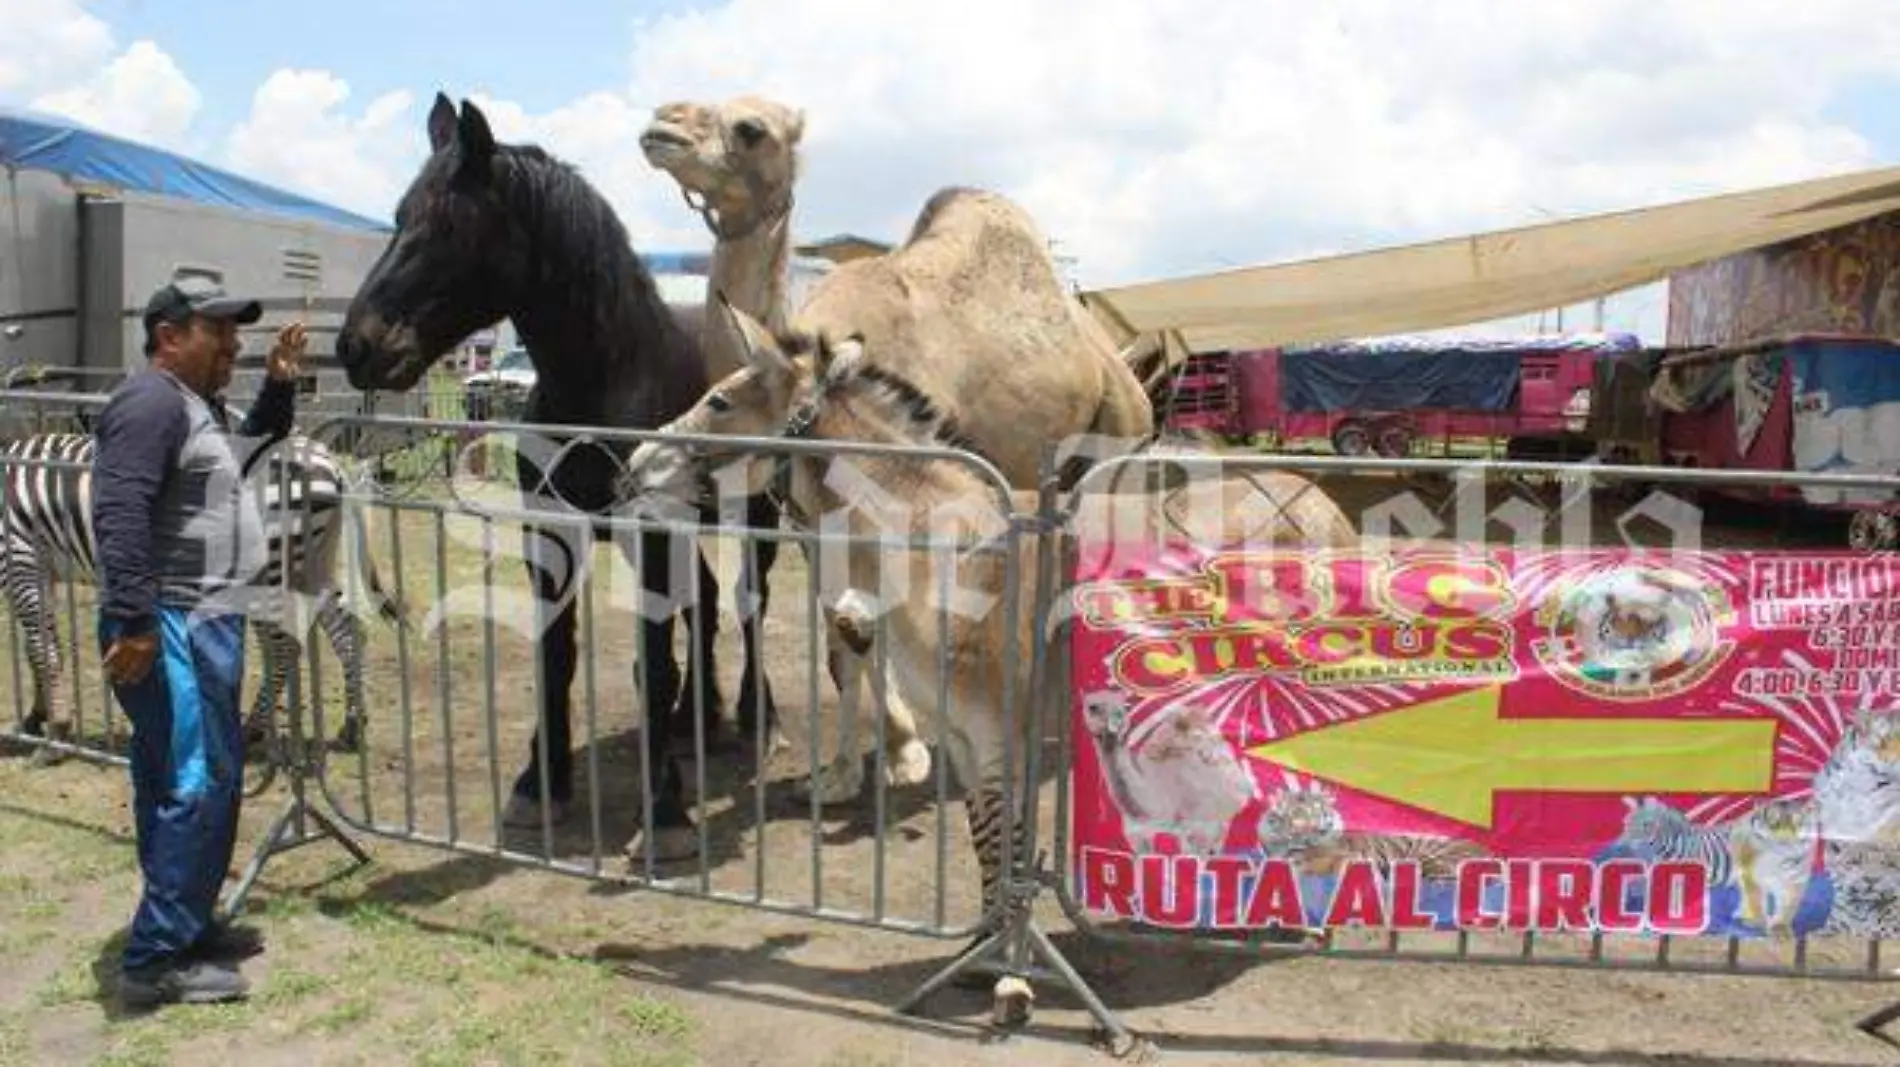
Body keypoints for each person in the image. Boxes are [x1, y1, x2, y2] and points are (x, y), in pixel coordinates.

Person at [92, 275, 308, 1008]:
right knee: (187, 781)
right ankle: (153, 960)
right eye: (218, 330)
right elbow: (118, 509)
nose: (233, 344)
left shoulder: (194, 406)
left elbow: (247, 456)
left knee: (209, 775)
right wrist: (134, 621)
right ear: (169, 336)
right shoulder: (149, 402)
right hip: (171, 621)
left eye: (233, 332)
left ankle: (187, 923)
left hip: (209, 618)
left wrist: (278, 389)